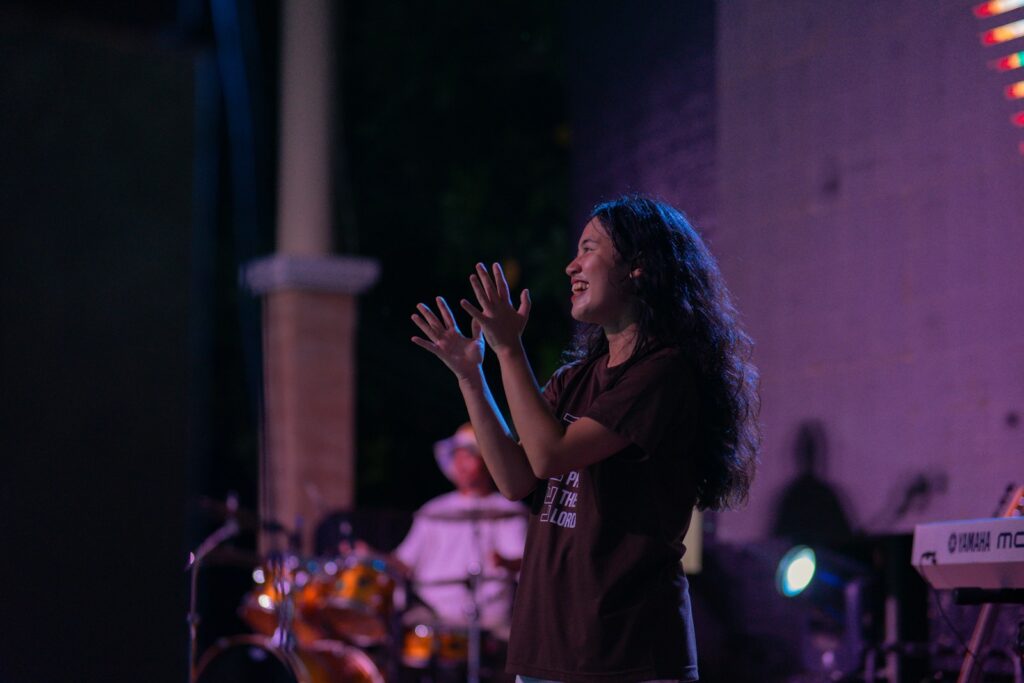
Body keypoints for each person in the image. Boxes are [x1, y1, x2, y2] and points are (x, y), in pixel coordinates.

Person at [410, 195, 760, 683]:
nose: (572, 265)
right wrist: (472, 375)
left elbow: (551, 455)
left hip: (625, 648)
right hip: (547, 643)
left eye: (589, 249)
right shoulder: (577, 378)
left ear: (638, 268)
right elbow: (514, 478)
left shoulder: (663, 372)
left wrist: (509, 347)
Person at [394, 422, 527, 637]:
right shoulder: (433, 510)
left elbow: (525, 562)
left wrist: (504, 561)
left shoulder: (508, 509)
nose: (461, 463)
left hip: (488, 622)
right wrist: (371, 559)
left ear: (489, 461)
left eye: (470, 456)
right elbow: (404, 562)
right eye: (457, 455)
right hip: (432, 615)